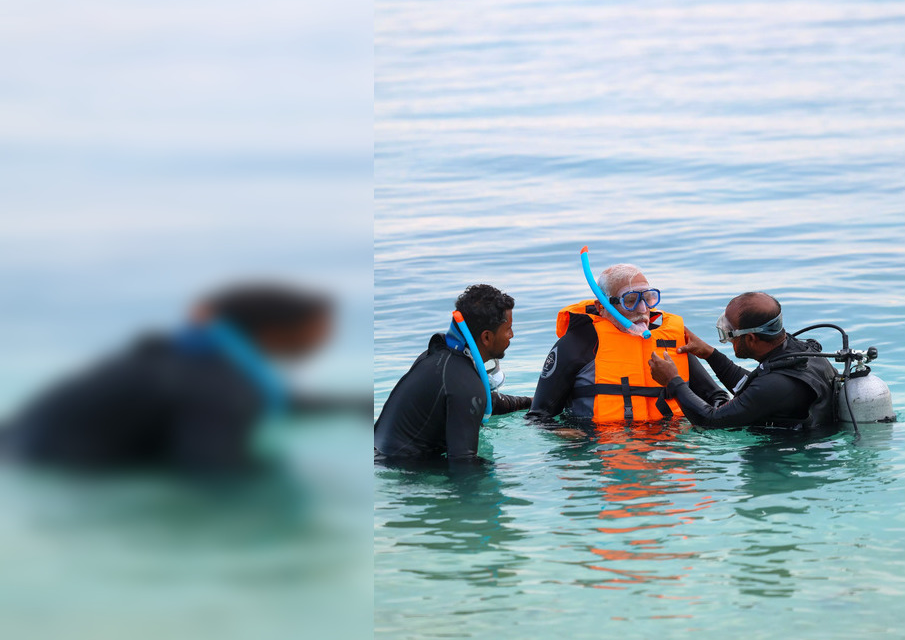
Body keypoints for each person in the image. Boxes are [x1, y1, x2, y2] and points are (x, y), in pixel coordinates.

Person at [4, 282, 355, 474]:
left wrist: (345, 405)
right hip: (47, 473)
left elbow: (256, 399)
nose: (325, 340)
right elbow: (212, 475)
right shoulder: (218, 384)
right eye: (319, 330)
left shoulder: (194, 356)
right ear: (278, 331)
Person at [530, 263, 727, 422]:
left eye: (649, 298)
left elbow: (718, 398)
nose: (642, 309)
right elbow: (538, 416)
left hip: (667, 452)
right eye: (630, 300)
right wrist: (565, 434)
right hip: (599, 453)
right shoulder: (576, 344)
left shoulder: (670, 342)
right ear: (601, 307)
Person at [375, 284, 531, 467]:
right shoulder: (466, 384)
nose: (512, 335)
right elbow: (463, 466)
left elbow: (482, 401)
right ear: (487, 337)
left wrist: (529, 402)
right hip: (399, 470)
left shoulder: (439, 359)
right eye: (508, 329)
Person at [648, 291, 837, 430]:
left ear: (751, 338)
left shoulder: (774, 385)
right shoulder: (804, 353)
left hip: (789, 462)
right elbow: (751, 388)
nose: (729, 340)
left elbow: (711, 421)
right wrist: (710, 354)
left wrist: (673, 382)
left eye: (730, 334)